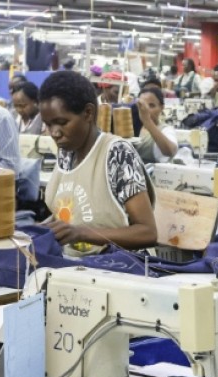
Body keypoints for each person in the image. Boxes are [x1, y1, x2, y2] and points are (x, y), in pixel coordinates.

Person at [39, 70, 156, 256]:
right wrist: (38, 230)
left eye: (61, 122)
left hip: (117, 270)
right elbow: (71, 210)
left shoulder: (117, 154)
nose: (54, 132)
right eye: (48, 124)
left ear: (88, 113)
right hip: (74, 268)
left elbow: (148, 232)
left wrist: (81, 233)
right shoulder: (66, 153)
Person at [134, 86, 179, 164]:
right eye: (142, 106)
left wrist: (147, 121)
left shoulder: (165, 130)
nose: (146, 109)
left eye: (151, 105)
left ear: (161, 107)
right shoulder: (133, 127)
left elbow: (171, 151)